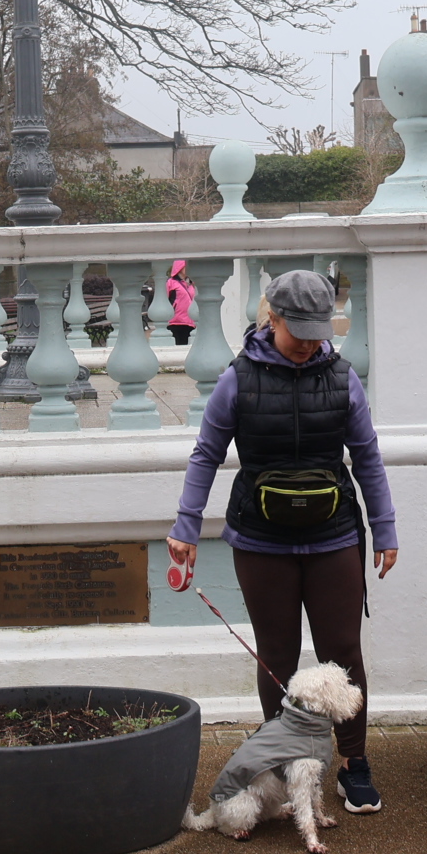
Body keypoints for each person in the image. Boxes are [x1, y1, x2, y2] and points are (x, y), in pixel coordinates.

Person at [168, 269, 399, 812]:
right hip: (261, 538)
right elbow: (206, 454)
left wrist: (384, 528)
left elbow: (366, 455)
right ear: (271, 319)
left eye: (319, 332)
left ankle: (353, 761)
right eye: (299, 332)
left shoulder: (343, 378)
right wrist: (186, 526)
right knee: (276, 653)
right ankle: (279, 758)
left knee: (342, 652)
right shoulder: (238, 379)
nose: (310, 343)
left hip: (334, 534)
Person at [165, 259, 196, 345]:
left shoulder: (191, 283)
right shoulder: (170, 283)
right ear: (179, 267)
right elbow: (165, 299)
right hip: (175, 322)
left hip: (190, 323)